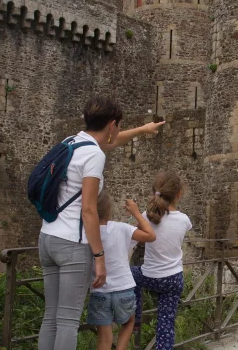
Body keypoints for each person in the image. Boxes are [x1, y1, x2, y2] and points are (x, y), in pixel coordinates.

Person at [38, 95, 164, 350]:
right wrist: (98, 255)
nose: (117, 131)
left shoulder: (70, 143)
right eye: (118, 125)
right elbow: (88, 209)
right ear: (111, 123)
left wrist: (142, 129)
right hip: (72, 244)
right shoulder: (94, 155)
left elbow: (112, 140)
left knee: (51, 316)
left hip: (47, 237)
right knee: (67, 321)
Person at [87, 190, 156, 350]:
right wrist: (136, 213)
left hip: (99, 289)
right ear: (109, 210)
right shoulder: (121, 228)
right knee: (129, 322)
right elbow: (150, 236)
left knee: (104, 339)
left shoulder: (87, 232)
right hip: (123, 288)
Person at [131, 172, 192, 350]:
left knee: (132, 273)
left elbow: (134, 238)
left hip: (149, 277)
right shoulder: (184, 220)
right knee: (166, 325)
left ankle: (135, 317)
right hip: (172, 279)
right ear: (179, 194)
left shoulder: (146, 216)